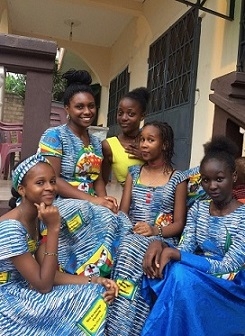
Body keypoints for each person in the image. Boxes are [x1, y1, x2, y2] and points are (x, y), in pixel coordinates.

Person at [0, 154, 118, 335]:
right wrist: (53, 229)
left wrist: (95, 280)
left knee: (97, 291)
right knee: (91, 299)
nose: (49, 188)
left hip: (23, 290)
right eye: (40, 183)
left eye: (53, 181)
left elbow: (49, 274)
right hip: (7, 304)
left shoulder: (36, 219)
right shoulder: (11, 228)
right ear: (22, 189)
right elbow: (44, 285)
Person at [141, 136, 245, 336]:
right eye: (206, 180)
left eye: (219, 179)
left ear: (233, 176)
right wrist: (160, 244)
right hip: (198, 270)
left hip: (231, 284)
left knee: (180, 275)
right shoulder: (198, 207)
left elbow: (229, 266)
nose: (212, 186)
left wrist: (177, 255)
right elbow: (185, 247)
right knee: (159, 266)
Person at [105, 121, 188, 336]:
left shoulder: (177, 178)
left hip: (160, 239)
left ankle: (131, 326)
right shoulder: (134, 172)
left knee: (131, 249)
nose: (143, 144)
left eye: (150, 140)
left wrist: (155, 231)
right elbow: (124, 212)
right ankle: (116, 322)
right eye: (142, 139)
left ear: (165, 144)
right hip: (132, 235)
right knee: (120, 246)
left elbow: (178, 224)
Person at [38, 68, 117, 213]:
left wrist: (104, 202)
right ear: (67, 109)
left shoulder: (96, 142)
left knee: (116, 220)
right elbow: (52, 180)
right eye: (79, 107)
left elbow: (97, 179)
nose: (87, 112)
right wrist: (93, 200)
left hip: (90, 203)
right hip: (61, 203)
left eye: (91, 106)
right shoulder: (54, 136)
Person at [102, 87, 148, 187]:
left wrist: (146, 157)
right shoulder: (109, 146)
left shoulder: (150, 141)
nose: (124, 118)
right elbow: (102, 182)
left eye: (131, 114)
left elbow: (166, 170)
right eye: (120, 113)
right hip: (132, 200)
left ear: (142, 116)